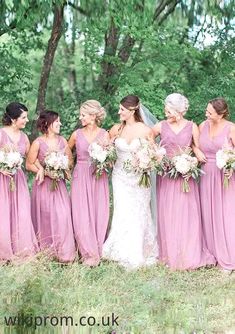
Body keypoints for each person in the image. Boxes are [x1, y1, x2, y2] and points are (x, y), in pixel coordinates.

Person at [153, 93, 215, 270]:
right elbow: (149, 138)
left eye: (168, 111)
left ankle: (188, 253)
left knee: (187, 214)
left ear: (178, 111)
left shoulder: (192, 126)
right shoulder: (161, 125)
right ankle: (170, 254)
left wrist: (193, 159)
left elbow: (196, 146)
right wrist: (156, 153)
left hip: (185, 175)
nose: (166, 114)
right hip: (166, 175)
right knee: (167, 213)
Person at [102, 95, 157, 269]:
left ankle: (138, 250)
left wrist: (146, 162)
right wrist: (104, 156)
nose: (119, 112)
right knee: (122, 209)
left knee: (139, 210)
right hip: (119, 176)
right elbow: (107, 150)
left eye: (122, 110)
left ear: (133, 110)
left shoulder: (146, 130)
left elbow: (154, 154)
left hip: (139, 178)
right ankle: (119, 248)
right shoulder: (116, 129)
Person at [26, 110, 76, 263]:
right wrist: (45, 171)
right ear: (48, 124)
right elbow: (29, 164)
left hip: (59, 186)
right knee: (46, 218)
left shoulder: (62, 141)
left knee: (63, 216)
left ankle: (64, 254)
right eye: (57, 122)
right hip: (43, 187)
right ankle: (47, 254)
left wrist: (62, 167)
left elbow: (70, 161)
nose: (60, 124)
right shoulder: (38, 143)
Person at [68, 100, 109, 266]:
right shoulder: (76, 134)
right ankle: (86, 252)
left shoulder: (105, 134)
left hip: (98, 176)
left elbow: (110, 156)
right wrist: (69, 166)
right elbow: (67, 150)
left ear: (93, 116)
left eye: (83, 115)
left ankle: (98, 248)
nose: (80, 117)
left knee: (99, 211)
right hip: (81, 174)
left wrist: (105, 162)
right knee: (81, 212)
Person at [198, 98, 235, 273]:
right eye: (206, 110)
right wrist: (197, 151)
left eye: (210, 112)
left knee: (225, 214)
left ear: (220, 115)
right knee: (208, 213)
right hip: (206, 175)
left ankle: (228, 255)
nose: (206, 114)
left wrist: (231, 165)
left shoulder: (231, 128)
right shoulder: (202, 125)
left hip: (225, 176)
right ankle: (211, 253)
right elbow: (194, 145)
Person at [0, 102, 38, 261]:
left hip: (18, 180)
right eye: (24, 117)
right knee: (3, 214)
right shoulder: (1, 134)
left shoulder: (24, 138)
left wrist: (47, 166)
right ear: (13, 119)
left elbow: (31, 160)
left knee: (21, 213)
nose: (27, 120)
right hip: (2, 179)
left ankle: (21, 250)